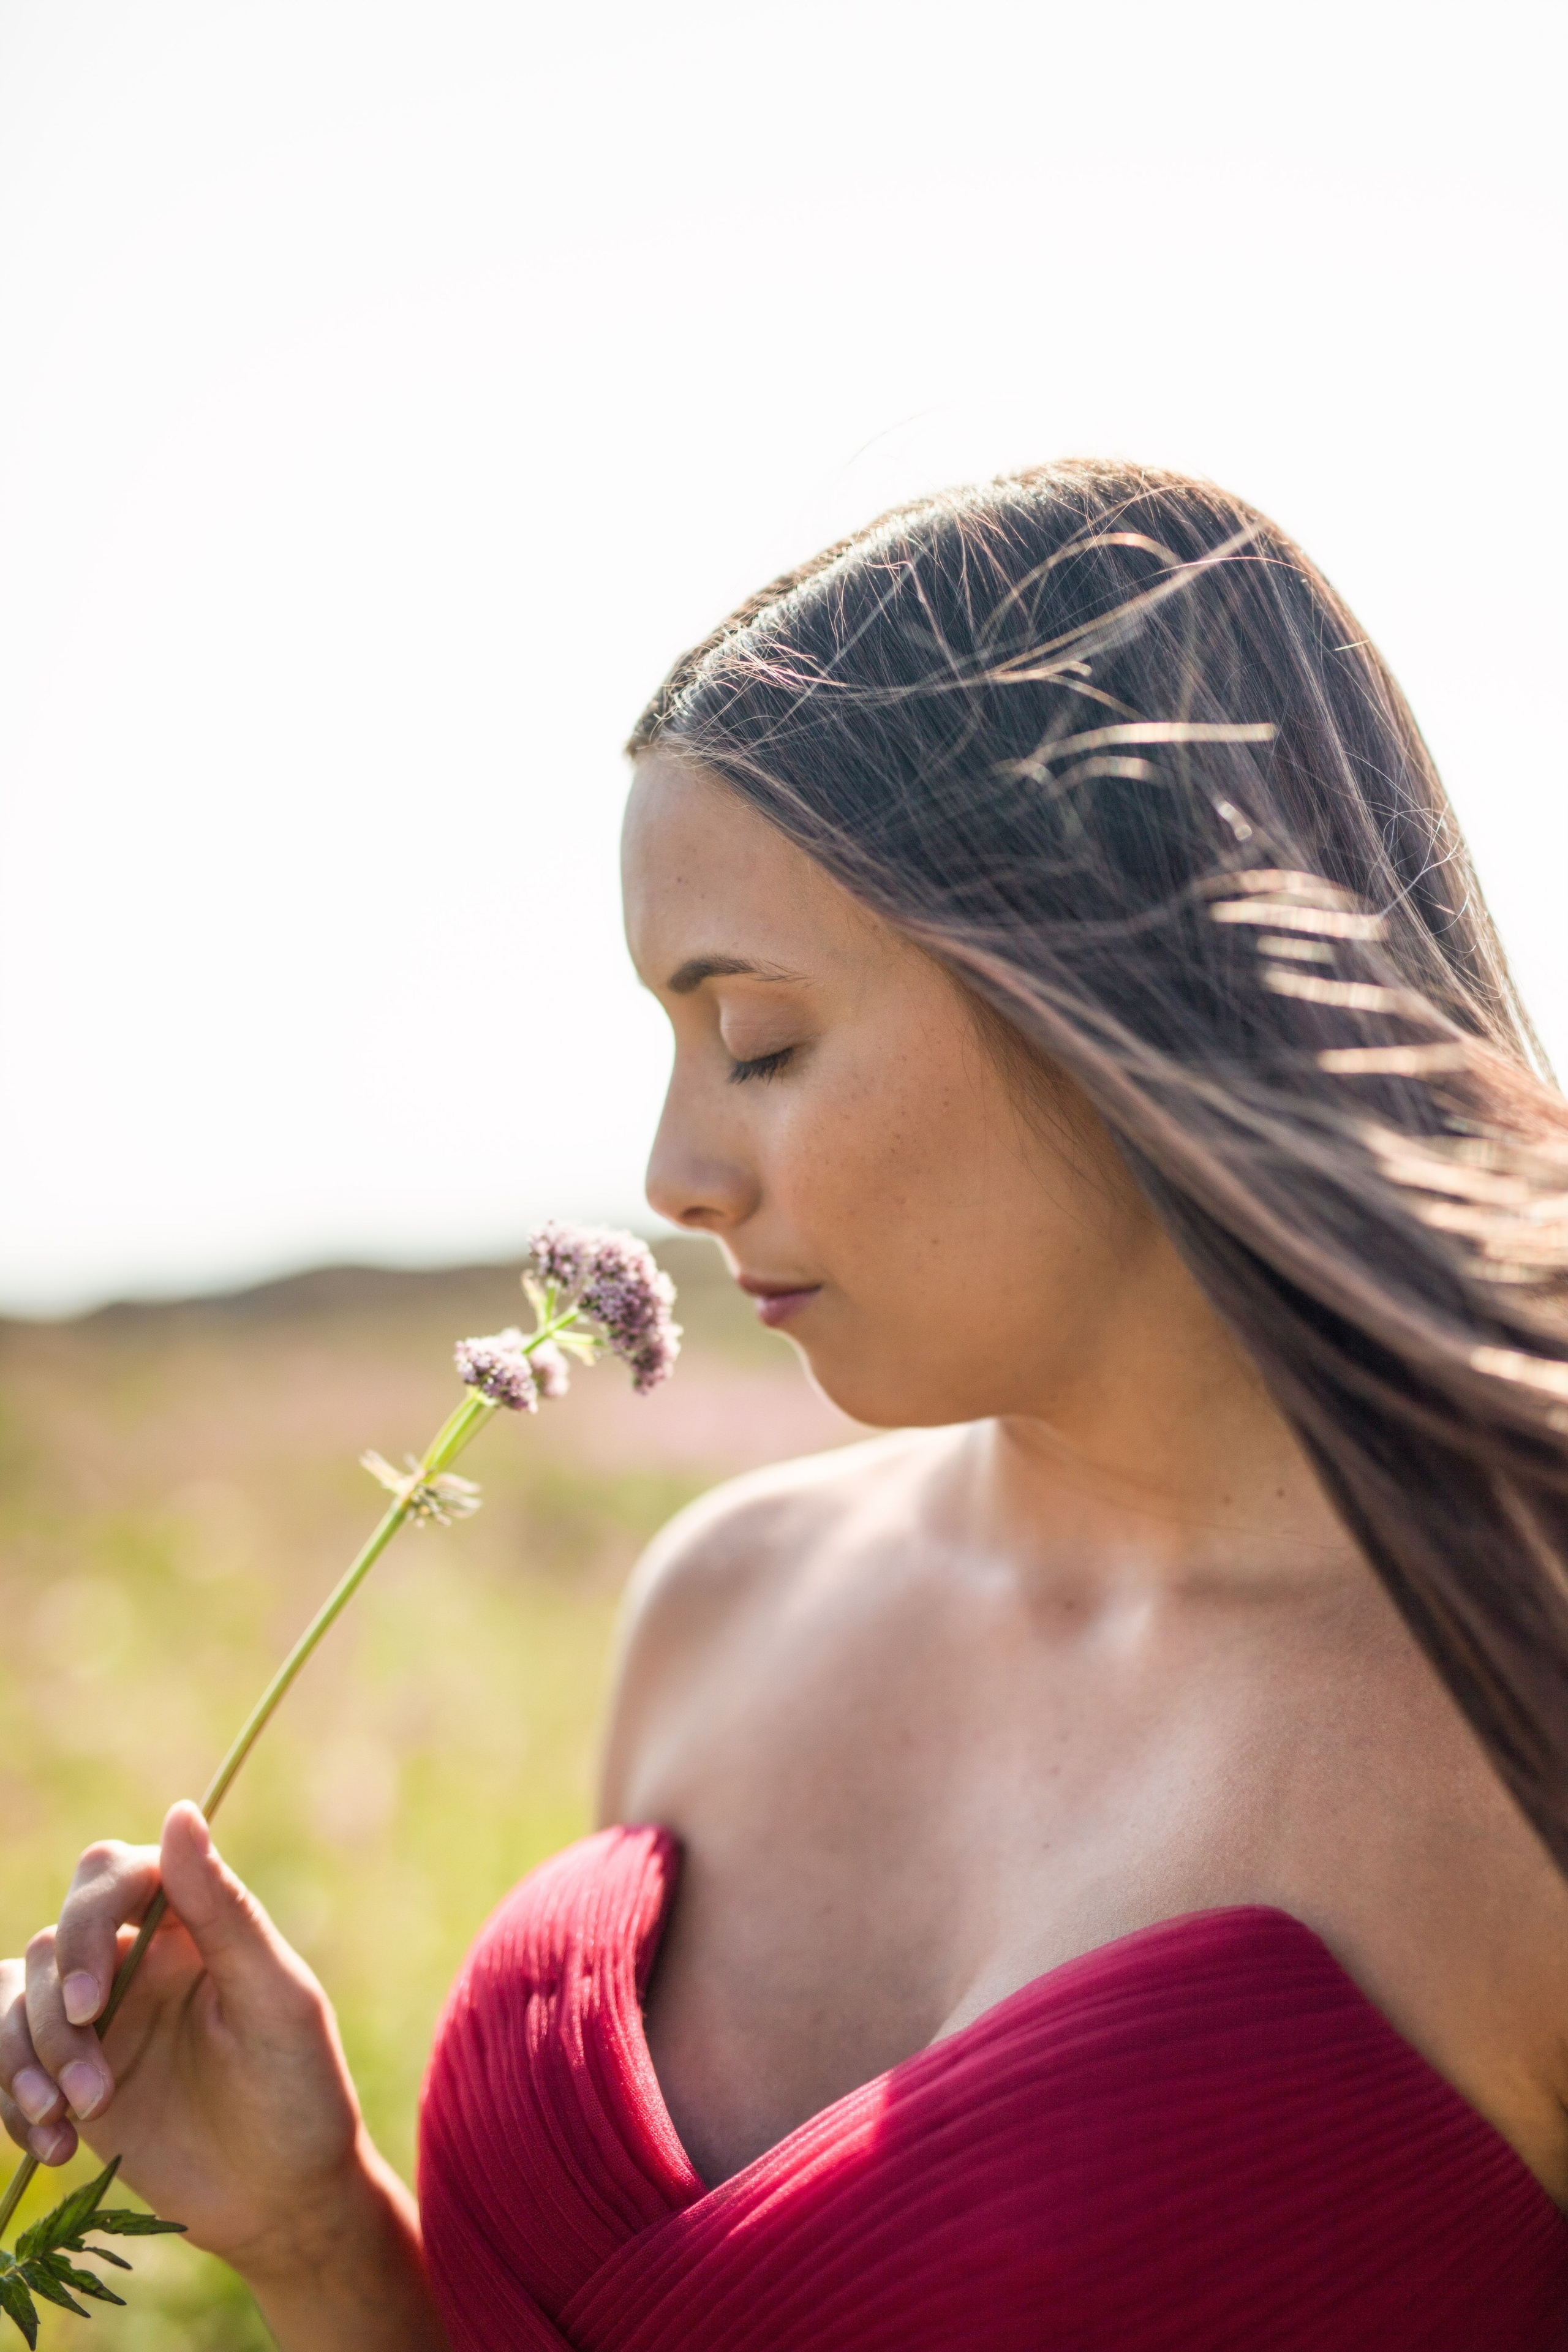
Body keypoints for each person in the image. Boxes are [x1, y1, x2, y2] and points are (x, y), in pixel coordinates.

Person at [6, 461, 1568, 2351]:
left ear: (1121, 986)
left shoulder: (1515, 1723)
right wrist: (321, 2239)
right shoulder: (718, 1603)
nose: (673, 1172)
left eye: (760, 1040)